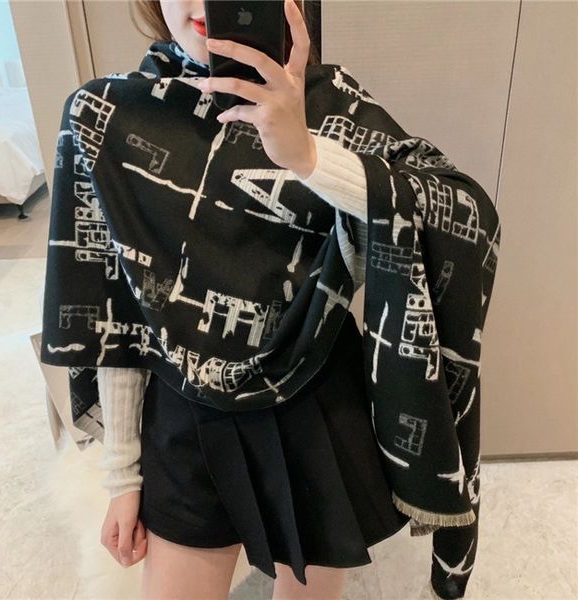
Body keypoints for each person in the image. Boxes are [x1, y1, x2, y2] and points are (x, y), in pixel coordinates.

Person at [93, 0, 411, 598]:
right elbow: (118, 317)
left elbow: (423, 230)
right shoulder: (116, 115)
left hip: (313, 392)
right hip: (184, 405)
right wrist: (121, 475)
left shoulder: (333, 105)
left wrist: (309, 157)